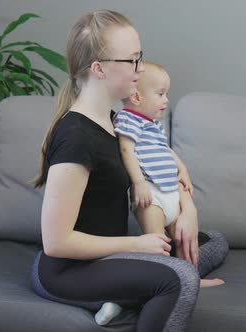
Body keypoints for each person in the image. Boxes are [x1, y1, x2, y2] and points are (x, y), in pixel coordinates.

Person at [29, 10, 228, 331]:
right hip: (68, 271)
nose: (140, 70)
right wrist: (137, 245)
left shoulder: (116, 121)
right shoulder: (77, 138)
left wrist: (187, 209)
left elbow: (164, 166)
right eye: (132, 60)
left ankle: (128, 296)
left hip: (110, 256)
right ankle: (147, 288)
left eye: (140, 58)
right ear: (98, 69)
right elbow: (56, 243)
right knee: (180, 278)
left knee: (214, 241)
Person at [95, 61, 225, 324]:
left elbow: (166, 151)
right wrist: (139, 183)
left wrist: (183, 169)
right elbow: (126, 151)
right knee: (156, 247)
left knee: (183, 243)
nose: (166, 100)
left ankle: (191, 278)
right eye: (161, 93)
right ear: (136, 96)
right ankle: (121, 299)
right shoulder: (128, 119)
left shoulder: (152, 124)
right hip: (151, 196)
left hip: (170, 193)